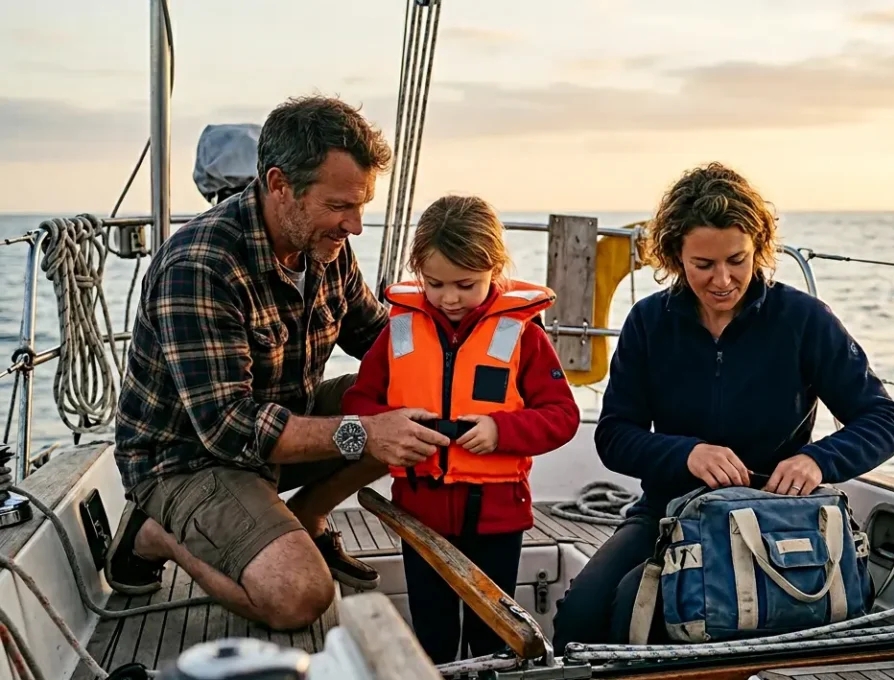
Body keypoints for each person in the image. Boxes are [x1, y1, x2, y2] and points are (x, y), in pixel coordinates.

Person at [108, 95, 452, 631]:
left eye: (360, 206)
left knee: (421, 399)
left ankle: (307, 515)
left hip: (277, 431)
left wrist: (466, 340)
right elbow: (229, 428)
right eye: (340, 206)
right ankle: (155, 534)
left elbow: (378, 336)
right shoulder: (200, 265)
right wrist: (365, 433)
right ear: (279, 184)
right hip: (187, 459)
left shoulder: (324, 245)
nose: (355, 225)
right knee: (299, 597)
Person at [551, 162, 894, 649]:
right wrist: (687, 454)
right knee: (578, 624)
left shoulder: (802, 319)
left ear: (758, 249)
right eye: (703, 265)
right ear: (675, 255)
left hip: (776, 516)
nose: (723, 280)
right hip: (667, 511)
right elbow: (614, 435)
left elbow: (884, 419)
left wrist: (816, 460)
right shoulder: (648, 322)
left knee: (647, 607)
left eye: (737, 260)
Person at [341, 195, 580, 662]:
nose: (449, 298)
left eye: (465, 285)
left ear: (496, 268)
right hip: (420, 513)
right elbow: (360, 400)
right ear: (418, 272)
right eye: (435, 284)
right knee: (432, 632)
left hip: (497, 519)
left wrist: (500, 430)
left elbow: (562, 416)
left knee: (493, 637)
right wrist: (390, 431)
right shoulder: (399, 330)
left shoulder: (524, 335)